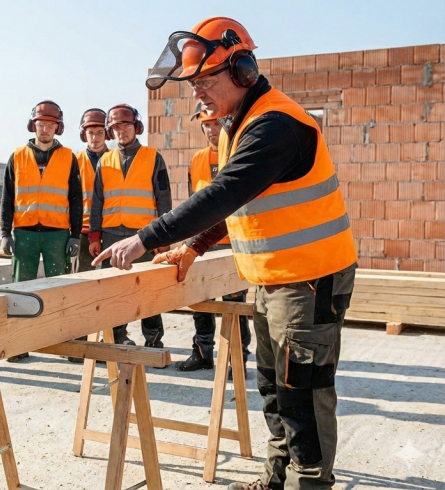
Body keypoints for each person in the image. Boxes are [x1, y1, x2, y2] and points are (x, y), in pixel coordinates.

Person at [95, 16, 358, 490]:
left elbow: (223, 194)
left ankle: (311, 485)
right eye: (193, 84)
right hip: (272, 278)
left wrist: (145, 238)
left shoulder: (276, 125)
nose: (198, 94)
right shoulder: (241, 124)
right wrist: (193, 247)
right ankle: (276, 479)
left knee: (303, 395)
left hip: (310, 280)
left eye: (206, 81)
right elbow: (241, 204)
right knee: (274, 389)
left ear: (243, 70)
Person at [0, 100, 83, 361]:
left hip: (57, 234)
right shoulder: (17, 156)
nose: (45, 129)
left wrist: (75, 235)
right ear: (32, 125)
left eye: (50, 124)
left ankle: (62, 340)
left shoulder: (68, 157)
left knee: (59, 288)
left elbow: (76, 200)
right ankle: (19, 343)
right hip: (24, 233)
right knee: (20, 289)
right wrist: (4, 233)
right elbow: (7, 198)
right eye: (41, 124)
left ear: (57, 128)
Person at [88, 104, 171, 350]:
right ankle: (115, 337)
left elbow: (164, 199)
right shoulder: (105, 160)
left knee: (148, 290)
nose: (120, 131)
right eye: (115, 127)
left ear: (136, 127)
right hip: (112, 234)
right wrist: (95, 235)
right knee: (113, 291)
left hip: (144, 237)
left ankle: (153, 340)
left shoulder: (153, 157)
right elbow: (97, 202)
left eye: (125, 125)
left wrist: (164, 236)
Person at [177, 103, 253, 374]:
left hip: (233, 242)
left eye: (215, 122)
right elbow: (193, 203)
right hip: (201, 245)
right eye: (206, 124)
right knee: (200, 301)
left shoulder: (237, 154)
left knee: (234, 305)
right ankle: (202, 353)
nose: (211, 129)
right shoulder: (197, 160)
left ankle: (238, 359)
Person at [73, 108, 134, 348]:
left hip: (108, 232)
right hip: (82, 232)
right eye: (91, 132)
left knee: (113, 288)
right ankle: (82, 338)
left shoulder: (117, 158)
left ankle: (117, 335)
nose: (95, 137)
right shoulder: (74, 161)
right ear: (83, 134)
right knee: (84, 286)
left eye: (100, 132)